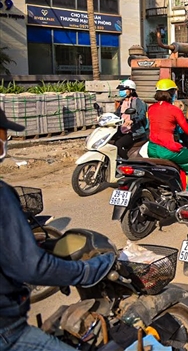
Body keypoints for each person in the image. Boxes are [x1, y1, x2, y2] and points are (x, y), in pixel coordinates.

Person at [0, 108, 116, 351]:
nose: (5, 140)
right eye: (4, 133)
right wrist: (86, 272)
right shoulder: (2, 196)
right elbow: (31, 267)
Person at [147, 79, 188, 191]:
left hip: (152, 148)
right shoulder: (174, 110)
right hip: (167, 150)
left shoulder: (151, 109)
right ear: (172, 93)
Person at [113, 79, 147, 160]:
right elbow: (116, 114)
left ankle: (128, 162)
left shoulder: (137, 102)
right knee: (110, 142)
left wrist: (133, 120)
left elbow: (142, 115)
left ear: (131, 90)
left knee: (118, 144)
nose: (121, 91)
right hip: (122, 130)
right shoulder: (122, 102)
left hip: (133, 131)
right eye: (121, 89)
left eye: (124, 89)